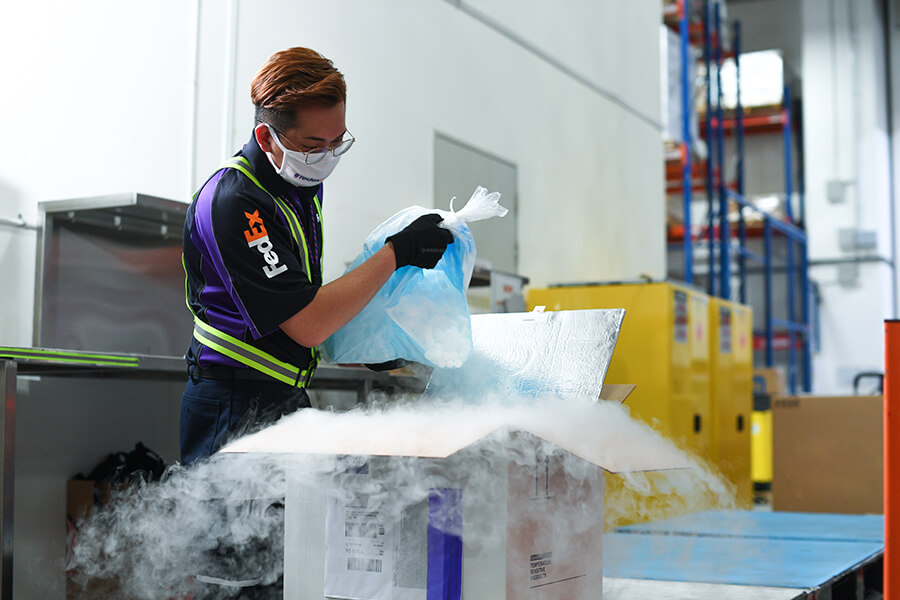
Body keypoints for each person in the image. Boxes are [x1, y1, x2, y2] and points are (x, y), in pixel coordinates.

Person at [181, 47, 453, 465]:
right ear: (267, 138)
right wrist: (396, 253)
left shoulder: (298, 183)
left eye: (336, 142)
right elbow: (306, 323)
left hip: (282, 395)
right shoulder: (237, 201)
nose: (325, 158)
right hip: (233, 403)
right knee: (233, 530)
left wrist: (371, 343)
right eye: (312, 146)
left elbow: (302, 304)